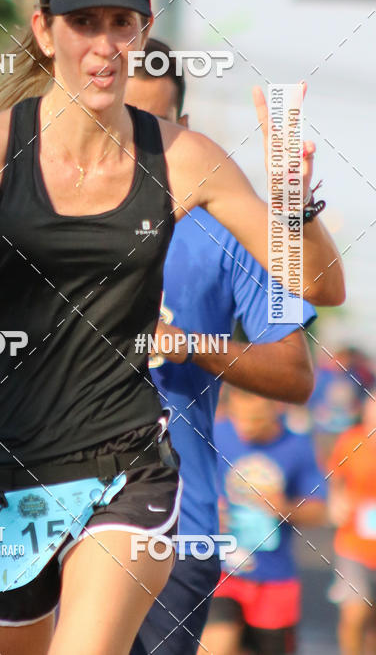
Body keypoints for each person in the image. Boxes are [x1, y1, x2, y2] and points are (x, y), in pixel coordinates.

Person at [0, 0, 345, 655]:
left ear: (143, 31)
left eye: (121, 23)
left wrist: (293, 203)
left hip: (122, 464)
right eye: (83, 22)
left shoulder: (183, 157)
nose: (104, 45)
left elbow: (321, 285)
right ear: (44, 31)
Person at [125, 38, 318, 655]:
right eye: (119, 121)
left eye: (154, 126)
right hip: (46, 516)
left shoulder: (226, 229)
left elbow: (295, 372)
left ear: (184, 129)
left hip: (176, 531)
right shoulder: (40, 220)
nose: (134, 142)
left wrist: (192, 346)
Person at [201, 387, 326, 655]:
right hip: (222, 570)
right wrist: (206, 512)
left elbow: (319, 511)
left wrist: (286, 508)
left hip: (275, 577)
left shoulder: (298, 446)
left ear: (278, 409)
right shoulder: (215, 434)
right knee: (219, 644)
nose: (246, 427)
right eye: (240, 418)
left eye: (256, 420)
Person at [327, 386, 376, 655]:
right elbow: (334, 479)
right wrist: (336, 502)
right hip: (354, 544)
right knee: (355, 614)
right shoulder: (350, 442)